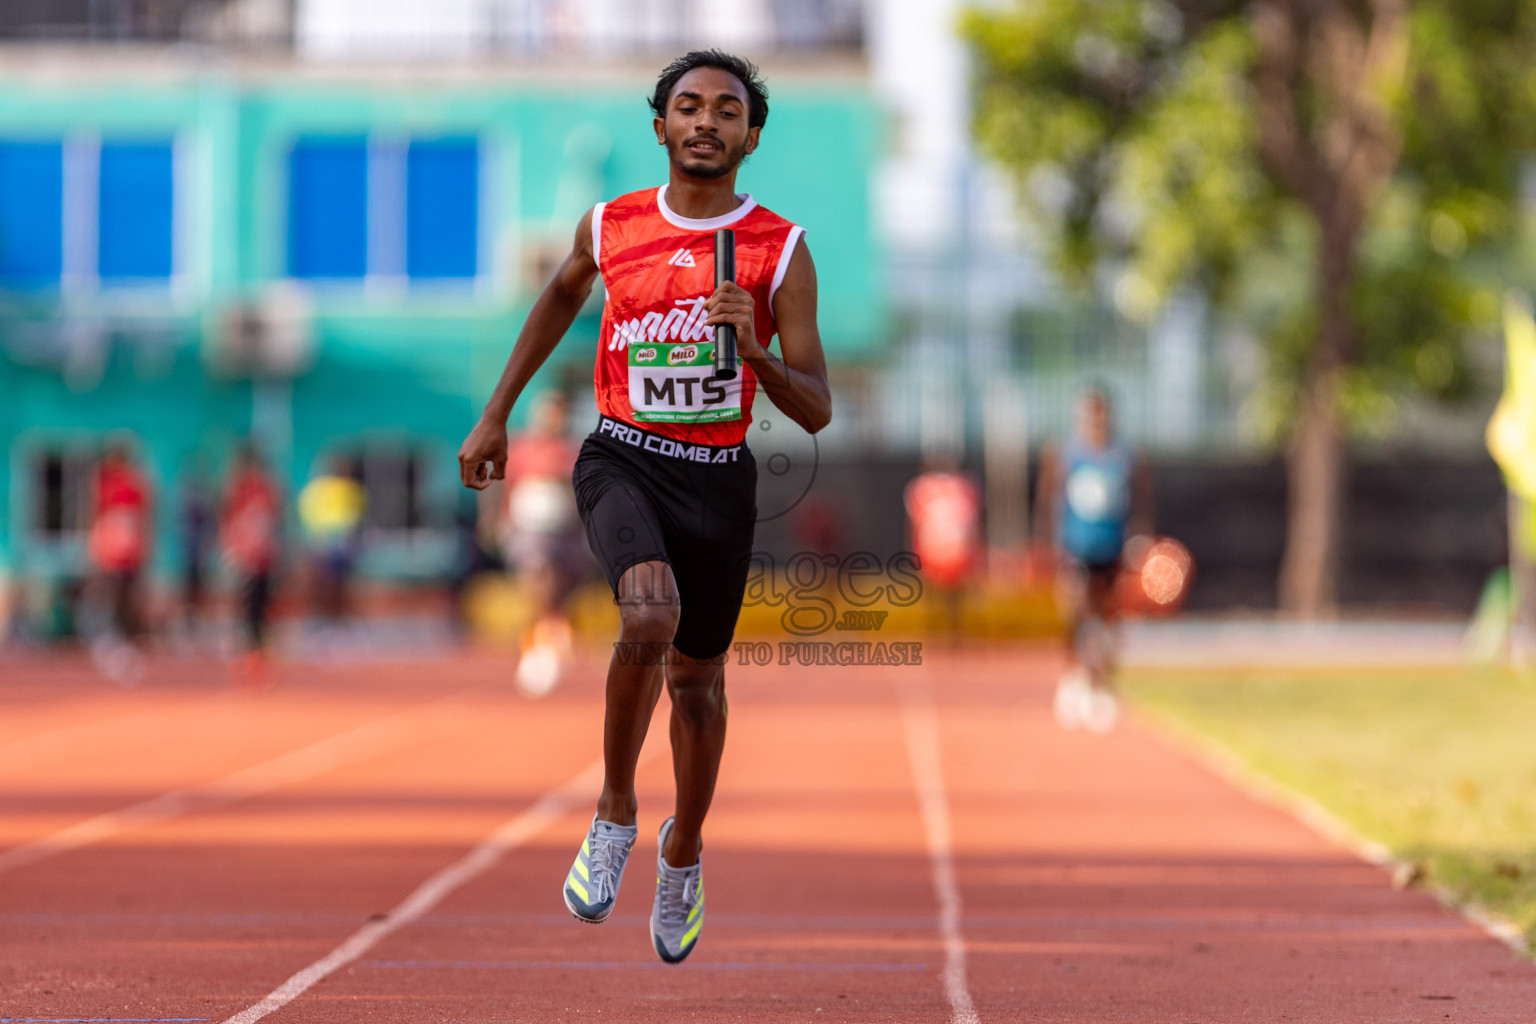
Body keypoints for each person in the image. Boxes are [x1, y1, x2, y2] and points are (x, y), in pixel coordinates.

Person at [458, 50, 831, 964]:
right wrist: (496, 413)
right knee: (648, 609)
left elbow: (816, 406)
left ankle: (685, 849)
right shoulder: (611, 223)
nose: (708, 122)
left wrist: (757, 351)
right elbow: (555, 299)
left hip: (717, 477)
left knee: (699, 687)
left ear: (752, 135)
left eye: (728, 111)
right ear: (661, 127)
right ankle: (616, 807)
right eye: (690, 107)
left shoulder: (780, 247)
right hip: (621, 456)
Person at [1035, 387, 1151, 733]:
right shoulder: (1066, 454)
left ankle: (1104, 686)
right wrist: (1048, 544)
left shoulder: (1126, 456)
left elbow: (1140, 503)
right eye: (1090, 413)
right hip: (1076, 548)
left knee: (1109, 618)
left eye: (1101, 413)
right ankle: (1075, 676)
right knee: (1077, 614)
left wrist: (1139, 540)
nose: (1096, 420)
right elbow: (1049, 500)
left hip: (1112, 548)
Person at [493, 390, 584, 697]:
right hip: (528, 530)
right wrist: (499, 519)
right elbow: (504, 485)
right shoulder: (520, 447)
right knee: (537, 576)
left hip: (566, 531)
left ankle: (553, 635)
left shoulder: (573, 450)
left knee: (559, 590)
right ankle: (537, 645)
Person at [221, 444, 283, 682]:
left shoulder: (266, 490)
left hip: (263, 559)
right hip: (246, 559)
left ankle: (261, 655)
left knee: (263, 607)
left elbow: (272, 524)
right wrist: (235, 551)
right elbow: (231, 523)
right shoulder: (238, 491)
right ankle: (248, 654)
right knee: (246, 608)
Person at [904, 455, 982, 639]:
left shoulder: (925, 489)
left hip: (946, 549)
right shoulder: (928, 489)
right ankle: (945, 633)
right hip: (945, 549)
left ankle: (945, 633)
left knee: (948, 597)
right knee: (943, 597)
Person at [88, 440, 153, 646]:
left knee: (128, 593)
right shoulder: (107, 485)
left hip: (127, 547)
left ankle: (129, 631)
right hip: (115, 547)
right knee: (114, 592)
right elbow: (99, 516)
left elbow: (143, 516)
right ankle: (117, 631)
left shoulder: (131, 484)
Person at [297, 457, 365, 629]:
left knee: (338, 583)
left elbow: (356, 516)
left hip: (341, 543)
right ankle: (319, 618)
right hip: (322, 541)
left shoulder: (351, 490)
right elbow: (308, 513)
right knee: (321, 583)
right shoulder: (320, 489)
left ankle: (336, 618)